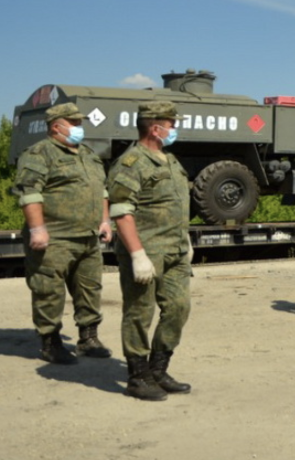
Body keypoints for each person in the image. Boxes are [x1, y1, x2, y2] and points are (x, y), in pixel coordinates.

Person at [13, 102, 114, 364]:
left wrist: (105, 221)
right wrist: (37, 229)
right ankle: (51, 343)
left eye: (80, 123)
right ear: (57, 127)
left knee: (90, 289)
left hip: (88, 236)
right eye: (75, 123)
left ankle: (88, 338)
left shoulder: (88, 154)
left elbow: (101, 190)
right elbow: (30, 193)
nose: (80, 127)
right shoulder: (39, 154)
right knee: (49, 291)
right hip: (55, 238)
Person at [108, 100, 193, 401]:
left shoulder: (169, 160)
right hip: (146, 251)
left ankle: (158, 368)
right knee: (139, 313)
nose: (175, 129)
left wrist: (186, 241)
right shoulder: (132, 162)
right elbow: (121, 211)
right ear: (156, 128)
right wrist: (137, 254)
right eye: (172, 124)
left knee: (178, 308)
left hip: (176, 250)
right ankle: (137, 376)